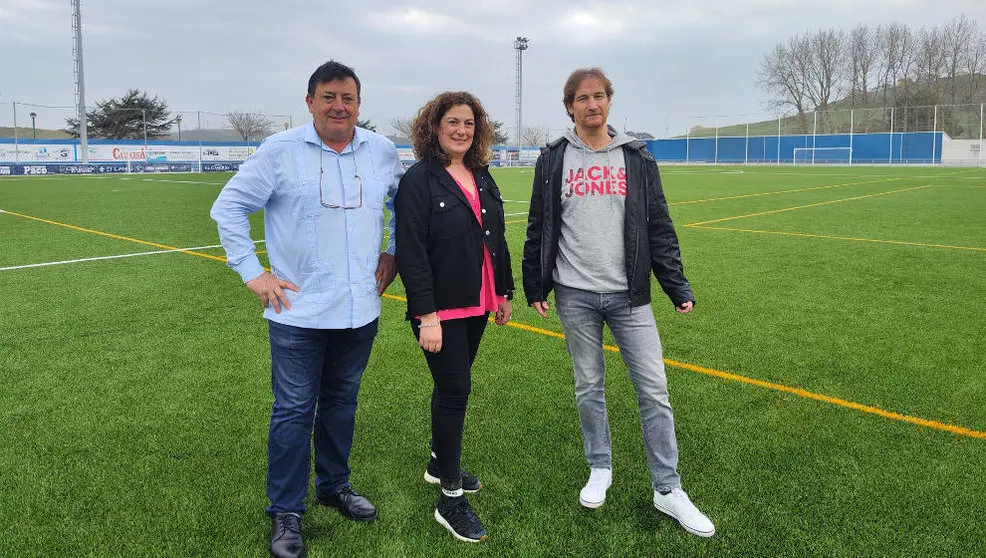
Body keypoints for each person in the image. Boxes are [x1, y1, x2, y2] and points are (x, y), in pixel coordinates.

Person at [210, 60, 403, 558]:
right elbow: (228, 207)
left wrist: (393, 250)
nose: (339, 106)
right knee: (294, 411)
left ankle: (334, 487)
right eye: (329, 97)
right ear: (310, 101)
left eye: (349, 98)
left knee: (342, 404)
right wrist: (254, 273)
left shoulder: (381, 151)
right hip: (298, 312)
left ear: (360, 103)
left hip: (361, 308)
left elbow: (405, 205)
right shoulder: (280, 151)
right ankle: (286, 511)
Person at [521, 67, 715, 538]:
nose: (592, 104)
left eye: (599, 96)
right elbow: (539, 226)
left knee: (654, 389)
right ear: (570, 106)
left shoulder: (637, 157)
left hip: (631, 296)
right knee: (589, 386)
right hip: (575, 294)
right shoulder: (553, 159)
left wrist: (677, 286)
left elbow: (660, 226)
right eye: (582, 98)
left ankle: (667, 488)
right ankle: (600, 467)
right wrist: (535, 285)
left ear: (609, 102)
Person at [395, 91, 514, 543]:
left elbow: (495, 237)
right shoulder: (419, 180)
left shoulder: (481, 174)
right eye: (453, 122)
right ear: (434, 127)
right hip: (439, 308)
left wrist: (503, 291)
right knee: (455, 388)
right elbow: (412, 250)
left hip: (478, 299)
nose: (461, 130)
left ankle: (436, 460)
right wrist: (426, 314)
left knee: (454, 384)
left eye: (469, 123)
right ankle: (449, 497)